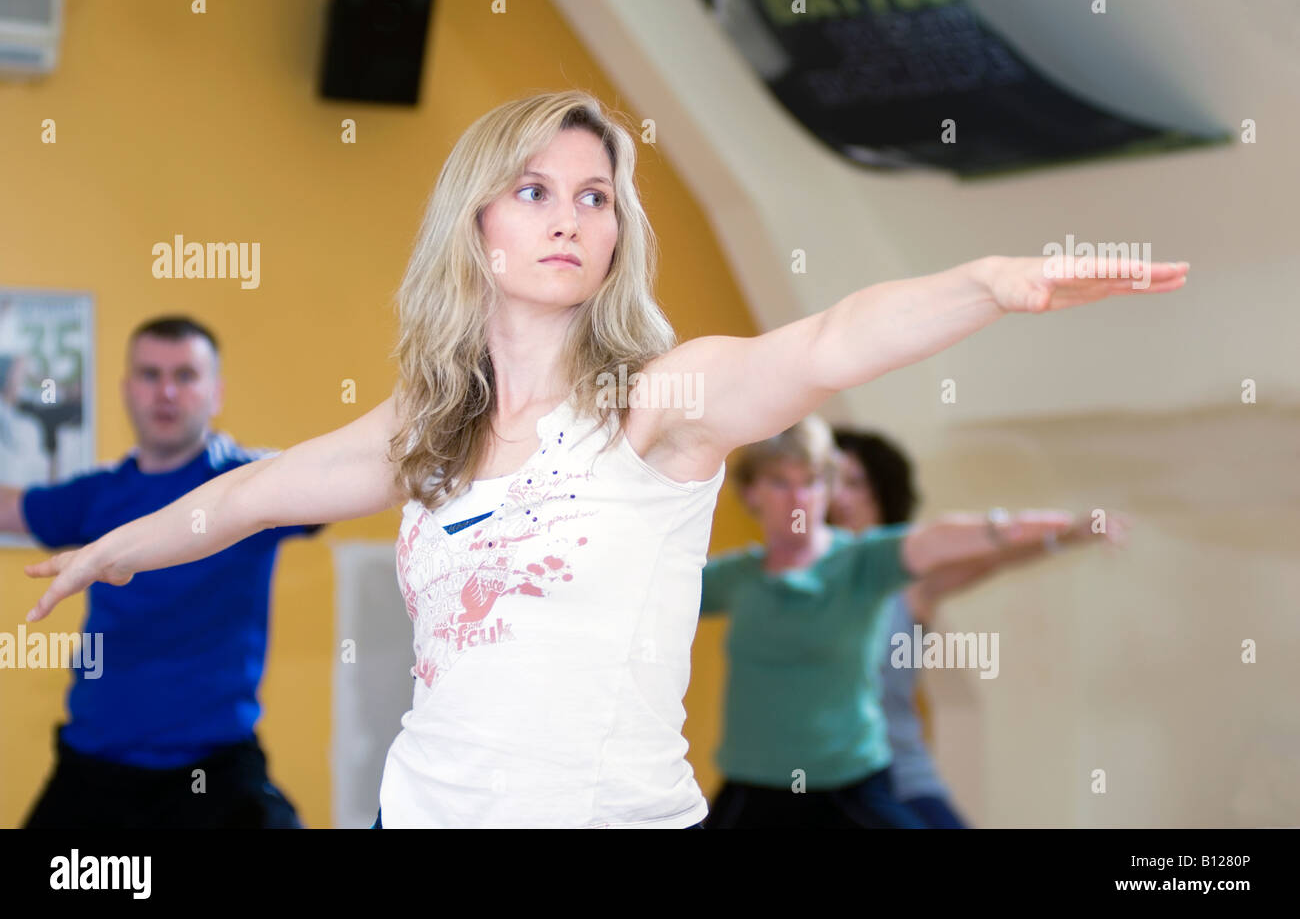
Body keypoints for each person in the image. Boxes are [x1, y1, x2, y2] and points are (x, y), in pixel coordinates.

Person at [22, 90, 1189, 828]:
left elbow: (829, 340)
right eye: (532, 191)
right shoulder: (424, 429)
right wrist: (108, 553)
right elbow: (247, 494)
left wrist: (987, 284)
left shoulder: (659, 404)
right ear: (475, 224)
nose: (569, 215)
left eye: (594, 194)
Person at [697, 416, 1118, 828]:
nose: (801, 497)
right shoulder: (743, 577)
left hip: (877, 772)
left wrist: (1051, 535)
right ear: (753, 493)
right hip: (763, 783)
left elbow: (958, 547)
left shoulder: (879, 565)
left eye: (814, 481)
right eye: (780, 483)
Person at [2, 316, 321, 828]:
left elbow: (342, 477)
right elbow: (11, 509)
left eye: (186, 376)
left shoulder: (251, 484)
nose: (166, 391)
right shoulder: (98, 493)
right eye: (150, 375)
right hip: (96, 772)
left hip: (217, 773)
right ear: (128, 390)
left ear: (216, 394)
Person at [828, 428, 1124, 828]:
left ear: (882, 490)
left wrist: (1068, 536)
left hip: (902, 779)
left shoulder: (910, 581)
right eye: (830, 482)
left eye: (855, 483)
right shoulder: (799, 579)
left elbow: (992, 557)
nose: (840, 497)